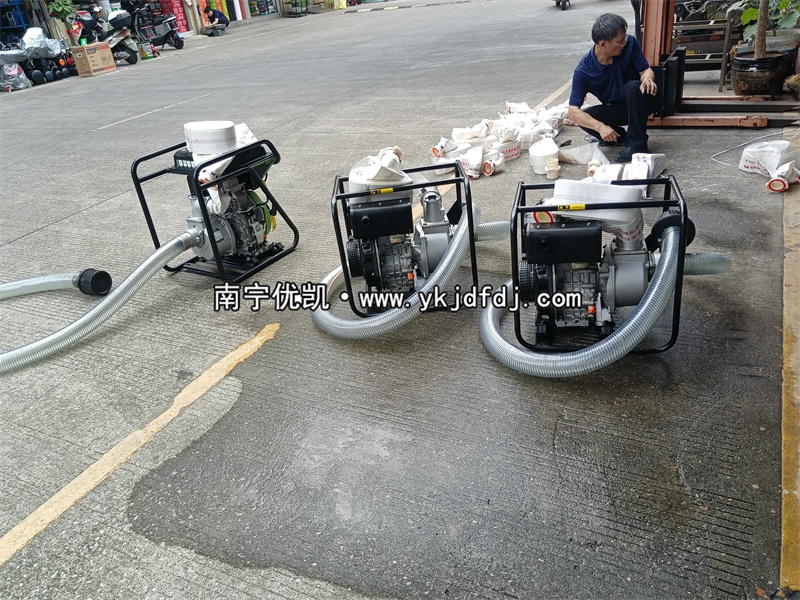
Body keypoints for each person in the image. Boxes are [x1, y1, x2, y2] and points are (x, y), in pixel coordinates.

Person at [568, 13, 660, 163]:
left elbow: (645, 70)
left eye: (624, 38)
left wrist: (648, 79)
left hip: (642, 100)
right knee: (586, 116)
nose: (624, 43)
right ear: (603, 44)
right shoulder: (584, 71)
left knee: (632, 87)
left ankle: (637, 145)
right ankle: (618, 138)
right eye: (620, 41)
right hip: (618, 109)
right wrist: (600, 127)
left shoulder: (629, 44)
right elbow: (573, 112)